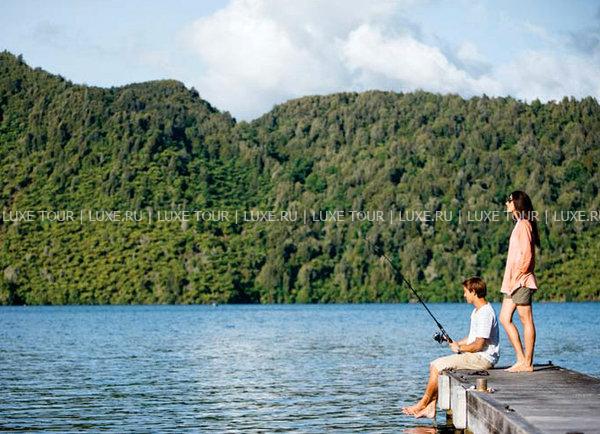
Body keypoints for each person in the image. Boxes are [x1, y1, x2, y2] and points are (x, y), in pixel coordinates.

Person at [402, 277, 499, 419]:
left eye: (465, 292)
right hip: (476, 356)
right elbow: (472, 338)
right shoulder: (477, 311)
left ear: (473, 292)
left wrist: (460, 349)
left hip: (483, 358)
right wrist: (457, 343)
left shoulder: (485, 313)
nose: (464, 295)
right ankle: (430, 408)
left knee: (436, 366)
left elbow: (479, 345)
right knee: (438, 367)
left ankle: (422, 404)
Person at [499, 191, 540, 373]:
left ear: (516, 203)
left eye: (509, 200)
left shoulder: (524, 225)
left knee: (526, 319)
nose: (506, 203)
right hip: (512, 282)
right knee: (504, 318)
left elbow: (528, 255)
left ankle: (527, 363)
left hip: (521, 281)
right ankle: (521, 359)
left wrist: (520, 275)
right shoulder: (519, 224)